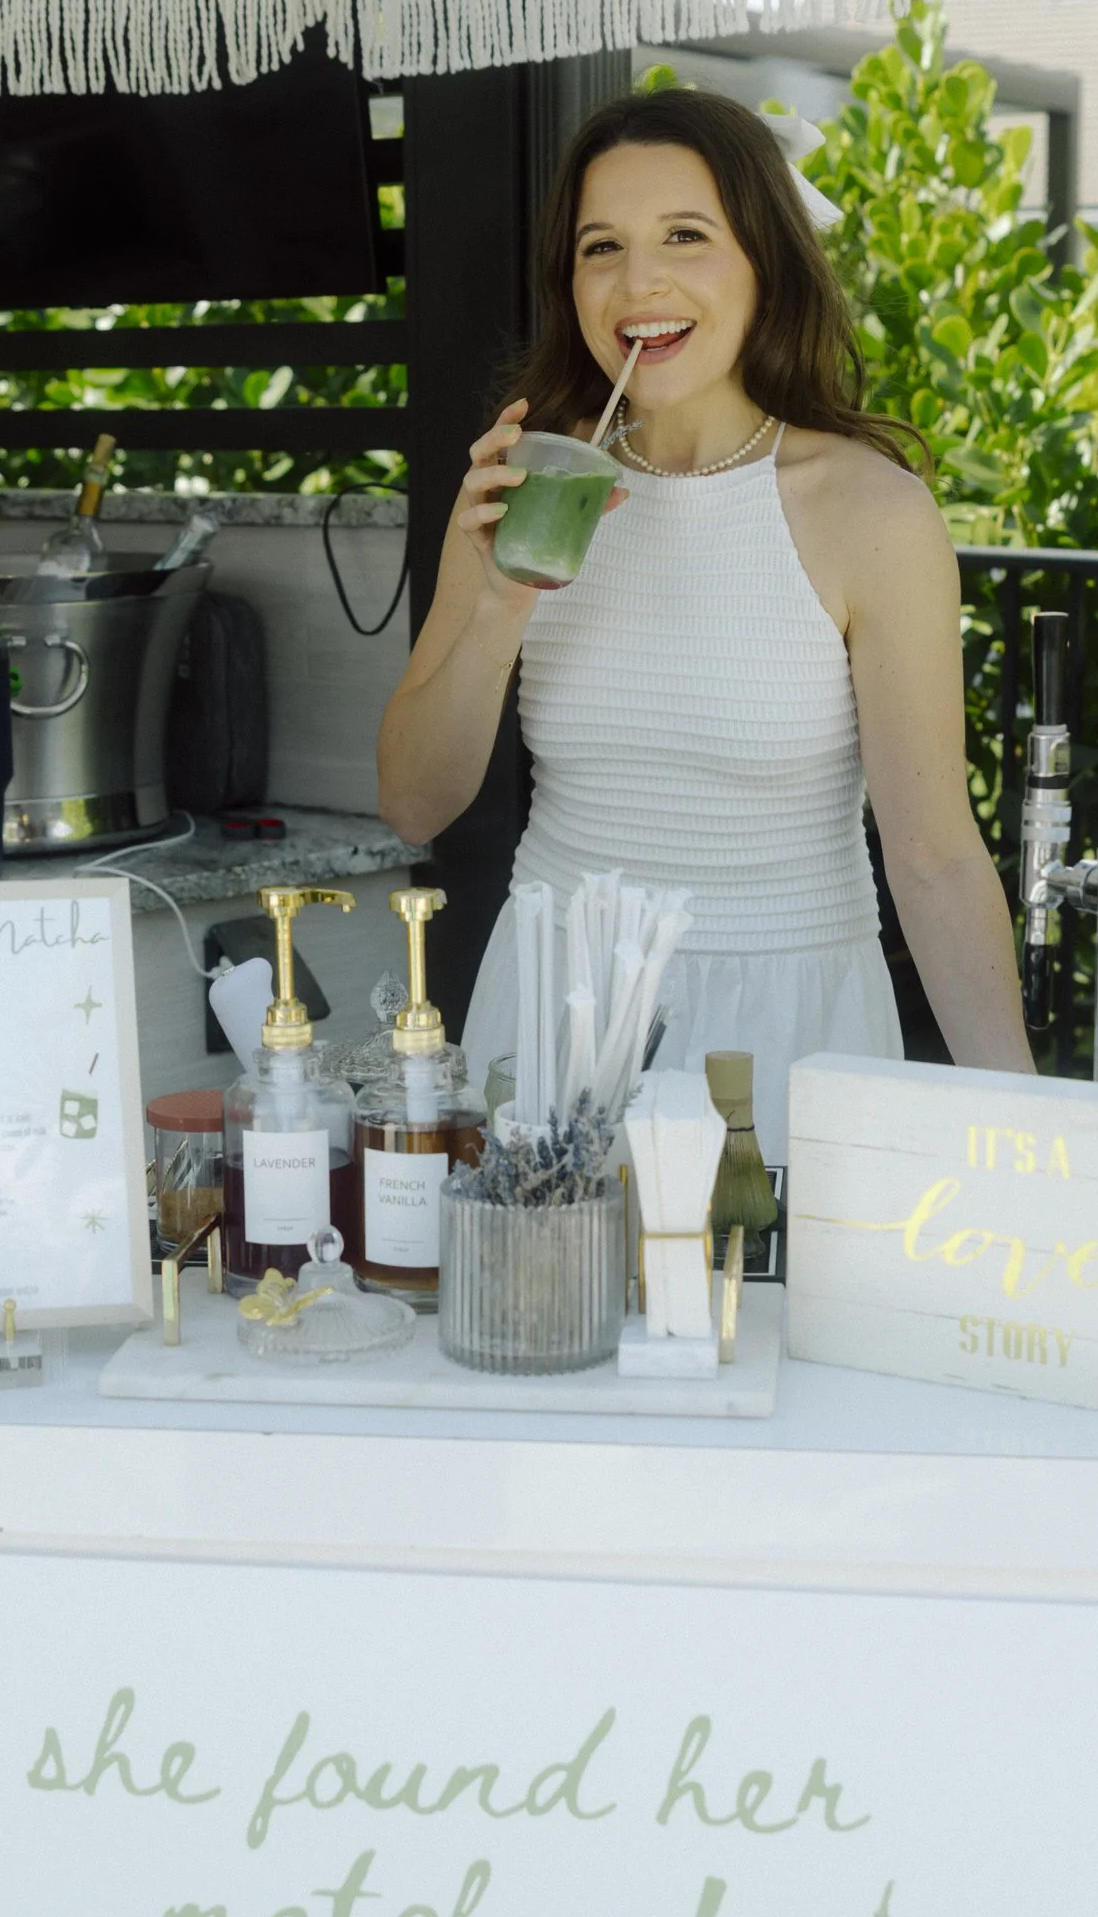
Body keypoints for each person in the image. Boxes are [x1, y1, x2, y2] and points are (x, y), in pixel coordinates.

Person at [379, 87, 1031, 1151]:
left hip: (784, 1030)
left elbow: (934, 857)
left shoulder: (870, 510)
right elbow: (413, 802)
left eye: (687, 235)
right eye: (603, 247)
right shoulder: (527, 486)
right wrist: (497, 602)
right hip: (554, 1015)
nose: (641, 282)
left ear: (764, 261)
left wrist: (1025, 1129)